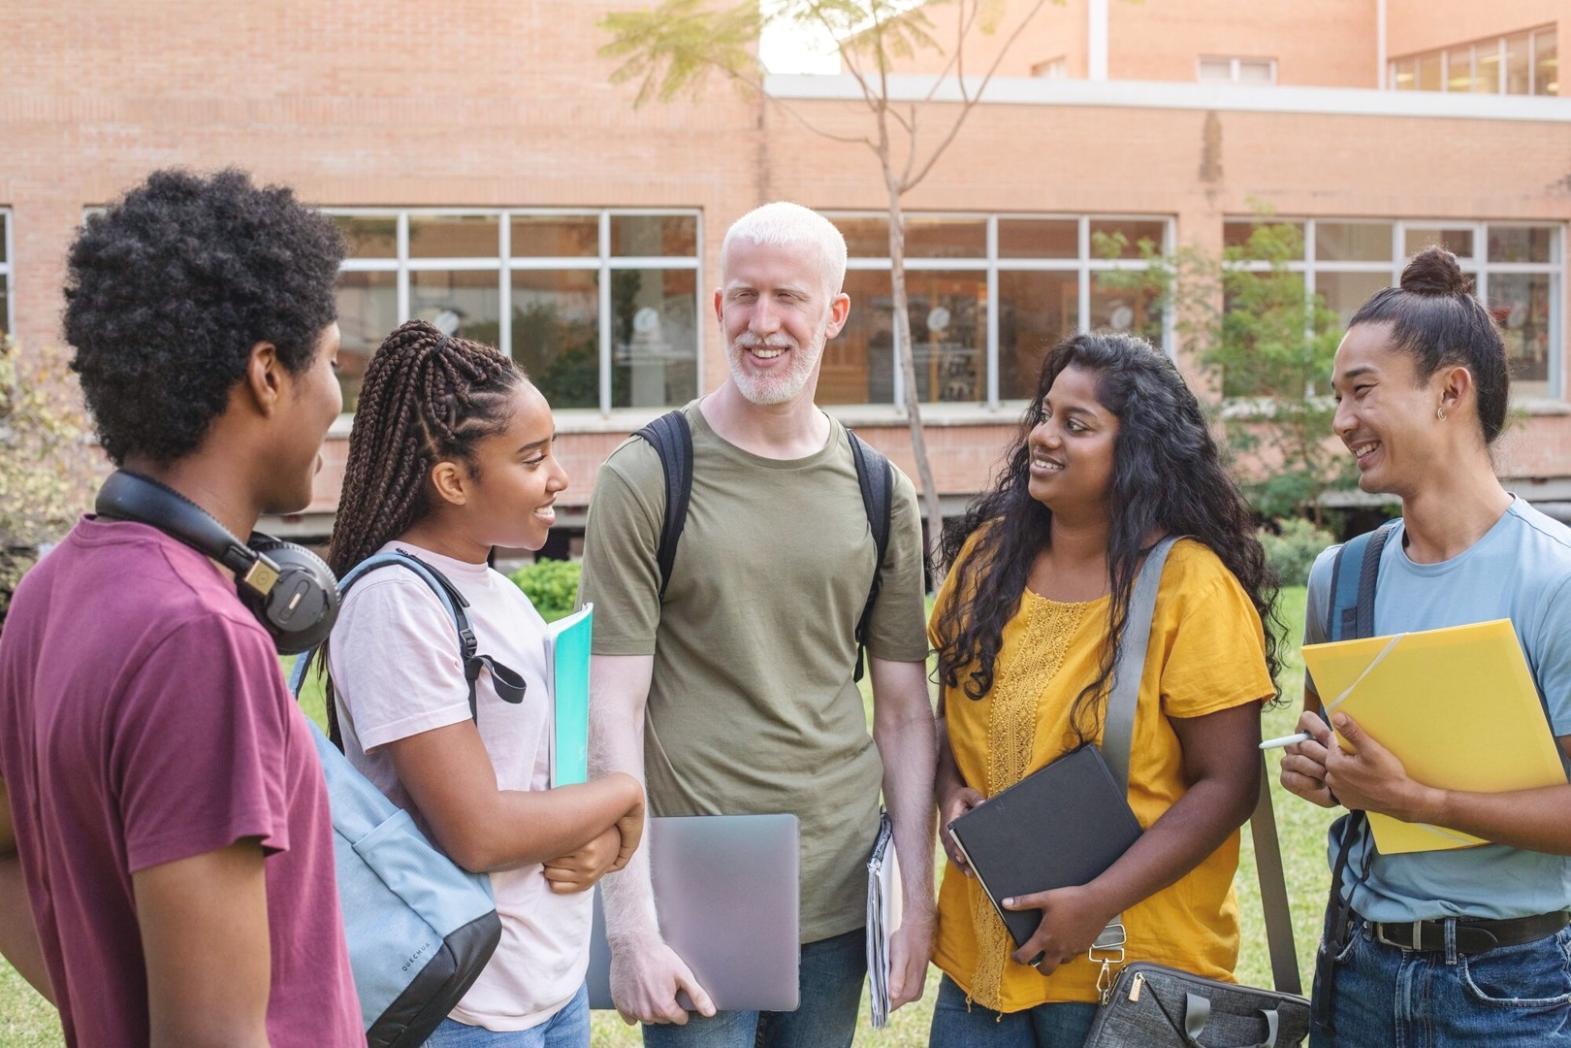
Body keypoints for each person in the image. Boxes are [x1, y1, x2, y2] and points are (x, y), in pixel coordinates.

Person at [0, 169, 362, 1046]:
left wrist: (108, 999)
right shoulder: (197, 635)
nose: (335, 399)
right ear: (268, 374)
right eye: (332, 363)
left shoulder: (53, 589)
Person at [579, 201, 936, 1048]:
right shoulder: (646, 477)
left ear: (834, 314)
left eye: (787, 298)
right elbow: (608, 712)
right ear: (717, 308)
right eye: (742, 297)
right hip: (696, 884)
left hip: (839, 883)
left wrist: (914, 898)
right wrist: (629, 924)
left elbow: (902, 712)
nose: (762, 323)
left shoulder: (881, 491)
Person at [928, 332, 1280, 1047]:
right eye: (1044, 414)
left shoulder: (1191, 588)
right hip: (980, 967)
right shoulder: (985, 558)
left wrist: (1097, 902)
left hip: (1127, 975)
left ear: (1137, 456)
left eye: (1075, 425)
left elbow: (1228, 784)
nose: (1042, 437)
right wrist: (948, 791)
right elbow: (949, 715)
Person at [322, 319, 647, 1047]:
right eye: (532, 458)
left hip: (547, 984)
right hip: (467, 1006)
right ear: (452, 480)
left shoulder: (497, 590)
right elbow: (477, 830)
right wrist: (623, 798)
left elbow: (531, 782)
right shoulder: (395, 602)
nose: (559, 477)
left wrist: (599, 841)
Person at [1279, 247, 1571, 1046]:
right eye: (1337, 397)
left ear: (1450, 391)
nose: (1341, 422)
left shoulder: (1554, 580)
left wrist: (1424, 803)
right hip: (1358, 971)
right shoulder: (1339, 576)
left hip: (1512, 991)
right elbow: (1333, 761)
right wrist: (1321, 772)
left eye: (1362, 392)